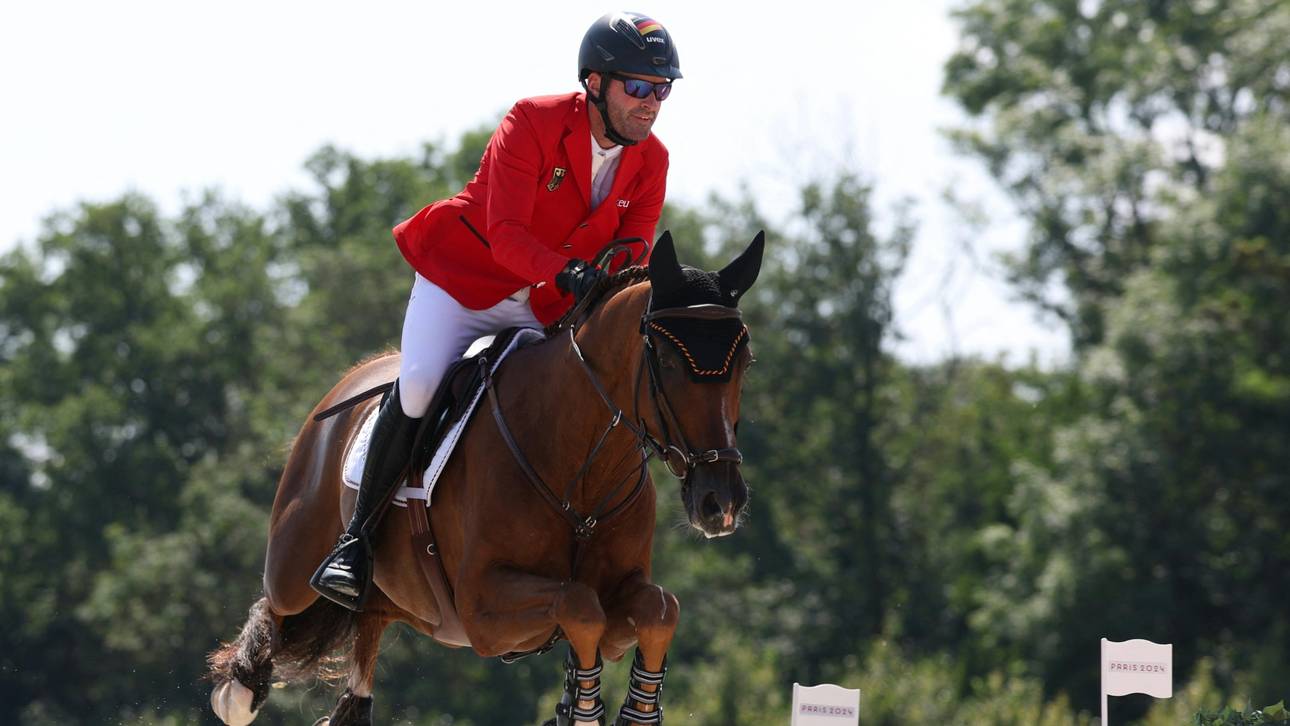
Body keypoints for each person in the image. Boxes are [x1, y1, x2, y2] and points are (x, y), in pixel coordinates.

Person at [310, 11, 683, 611]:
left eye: (661, 90)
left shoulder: (652, 161)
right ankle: (354, 545)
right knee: (423, 384)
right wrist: (566, 271)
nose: (650, 103)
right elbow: (504, 233)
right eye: (636, 87)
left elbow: (633, 256)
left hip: (544, 307)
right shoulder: (531, 121)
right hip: (465, 283)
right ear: (594, 83)